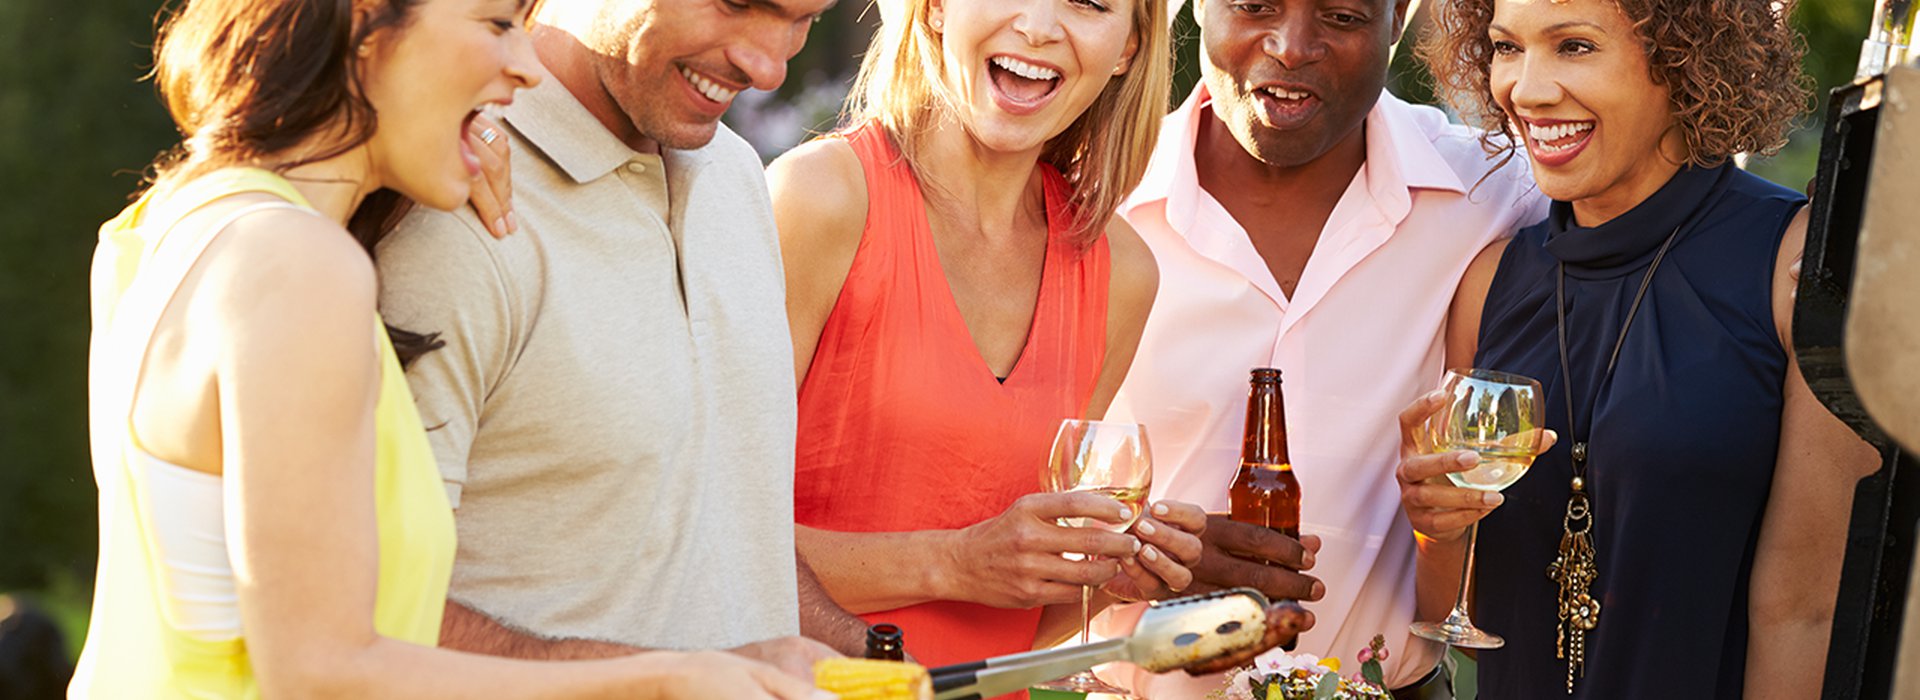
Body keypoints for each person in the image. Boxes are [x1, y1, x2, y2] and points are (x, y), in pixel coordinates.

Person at [76, 0, 824, 697]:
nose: (527, 65)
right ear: (369, 20)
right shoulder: (301, 264)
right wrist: (666, 678)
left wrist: (430, 148)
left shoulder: (179, 221)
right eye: (497, 22)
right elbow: (320, 671)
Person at [1397, 0, 1882, 697]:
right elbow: (1458, 615)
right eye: (1507, 47)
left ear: (1685, 58)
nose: (1526, 89)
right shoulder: (1489, 282)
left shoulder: (1794, 269)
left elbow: (1805, 611)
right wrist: (1436, 528)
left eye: (1573, 46)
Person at [374, 0, 861, 673]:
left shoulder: (737, 174)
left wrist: (857, 647)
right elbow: (362, 608)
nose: (769, 67)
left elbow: (719, 529)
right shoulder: (449, 203)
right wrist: (657, 682)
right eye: (738, 3)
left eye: (802, 19)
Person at [765, 0, 1239, 672]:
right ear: (933, 9)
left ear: (1130, 48)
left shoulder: (1122, 273)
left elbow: (1010, 627)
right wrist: (953, 562)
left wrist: (1106, 579)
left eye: (1090, 2)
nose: (1039, 26)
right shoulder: (819, 199)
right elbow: (700, 536)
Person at [1090, 0, 1547, 695]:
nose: (1292, 45)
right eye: (1253, 6)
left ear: (1400, 17)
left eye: (1340, 16)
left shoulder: (1494, 192)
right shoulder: (1092, 194)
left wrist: (1777, 261)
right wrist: (1144, 553)